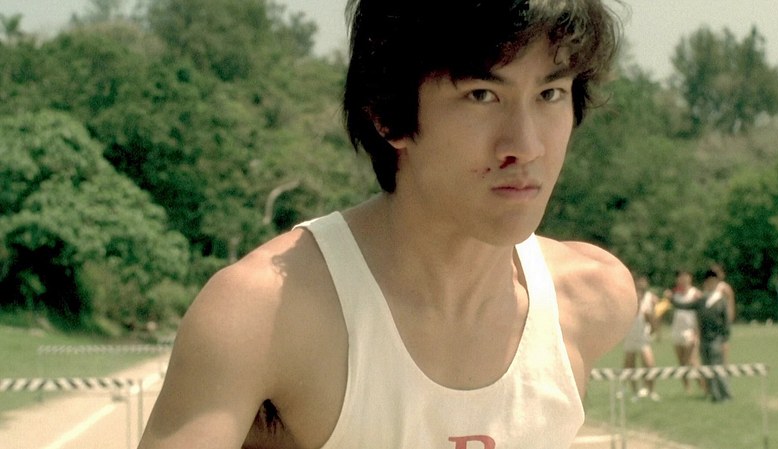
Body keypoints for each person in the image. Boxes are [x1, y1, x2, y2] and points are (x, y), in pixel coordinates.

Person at [138, 1, 636, 448]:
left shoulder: (591, 301)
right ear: (387, 114)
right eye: (482, 95)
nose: (526, 146)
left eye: (550, 93)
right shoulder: (265, 315)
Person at [670, 269, 733, 403]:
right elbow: (684, 306)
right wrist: (671, 299)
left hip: (716, 339)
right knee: (707, 368)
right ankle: (714, 394)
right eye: (708, 282)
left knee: (718, 367)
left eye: (713, 282)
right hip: (704, 339)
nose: (710, 284)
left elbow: (726, 322)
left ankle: (725, 394)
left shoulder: (720, 300)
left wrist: (725, 339)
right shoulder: (701, 300)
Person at [622, 275, 660, 402]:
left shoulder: (650, 298)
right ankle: (635, 392)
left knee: (649, 364)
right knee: (630, 365)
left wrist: (654, 330)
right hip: (630, 336)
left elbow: (653, 319)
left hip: (643, 338)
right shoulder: (629, 297)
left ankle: (651, 391)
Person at [668, 269, 702, 394]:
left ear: (690, 278)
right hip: (677, 331)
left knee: (692, 361)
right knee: (682, 362)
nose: (682, 279)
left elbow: (700, 314)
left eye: (685, 276)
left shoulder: (695, 294)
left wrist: (697, 332)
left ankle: (703, 385)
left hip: (690, 331)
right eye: (680, 277)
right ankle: (687, 389)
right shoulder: (674, 294)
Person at [710, 263, 736, 363]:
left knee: (723, 343)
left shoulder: (724, 288)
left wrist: (729, 319)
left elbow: (730, 304)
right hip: (711, 321)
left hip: (721, 321)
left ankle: (724, 364)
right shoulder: (709, 287)